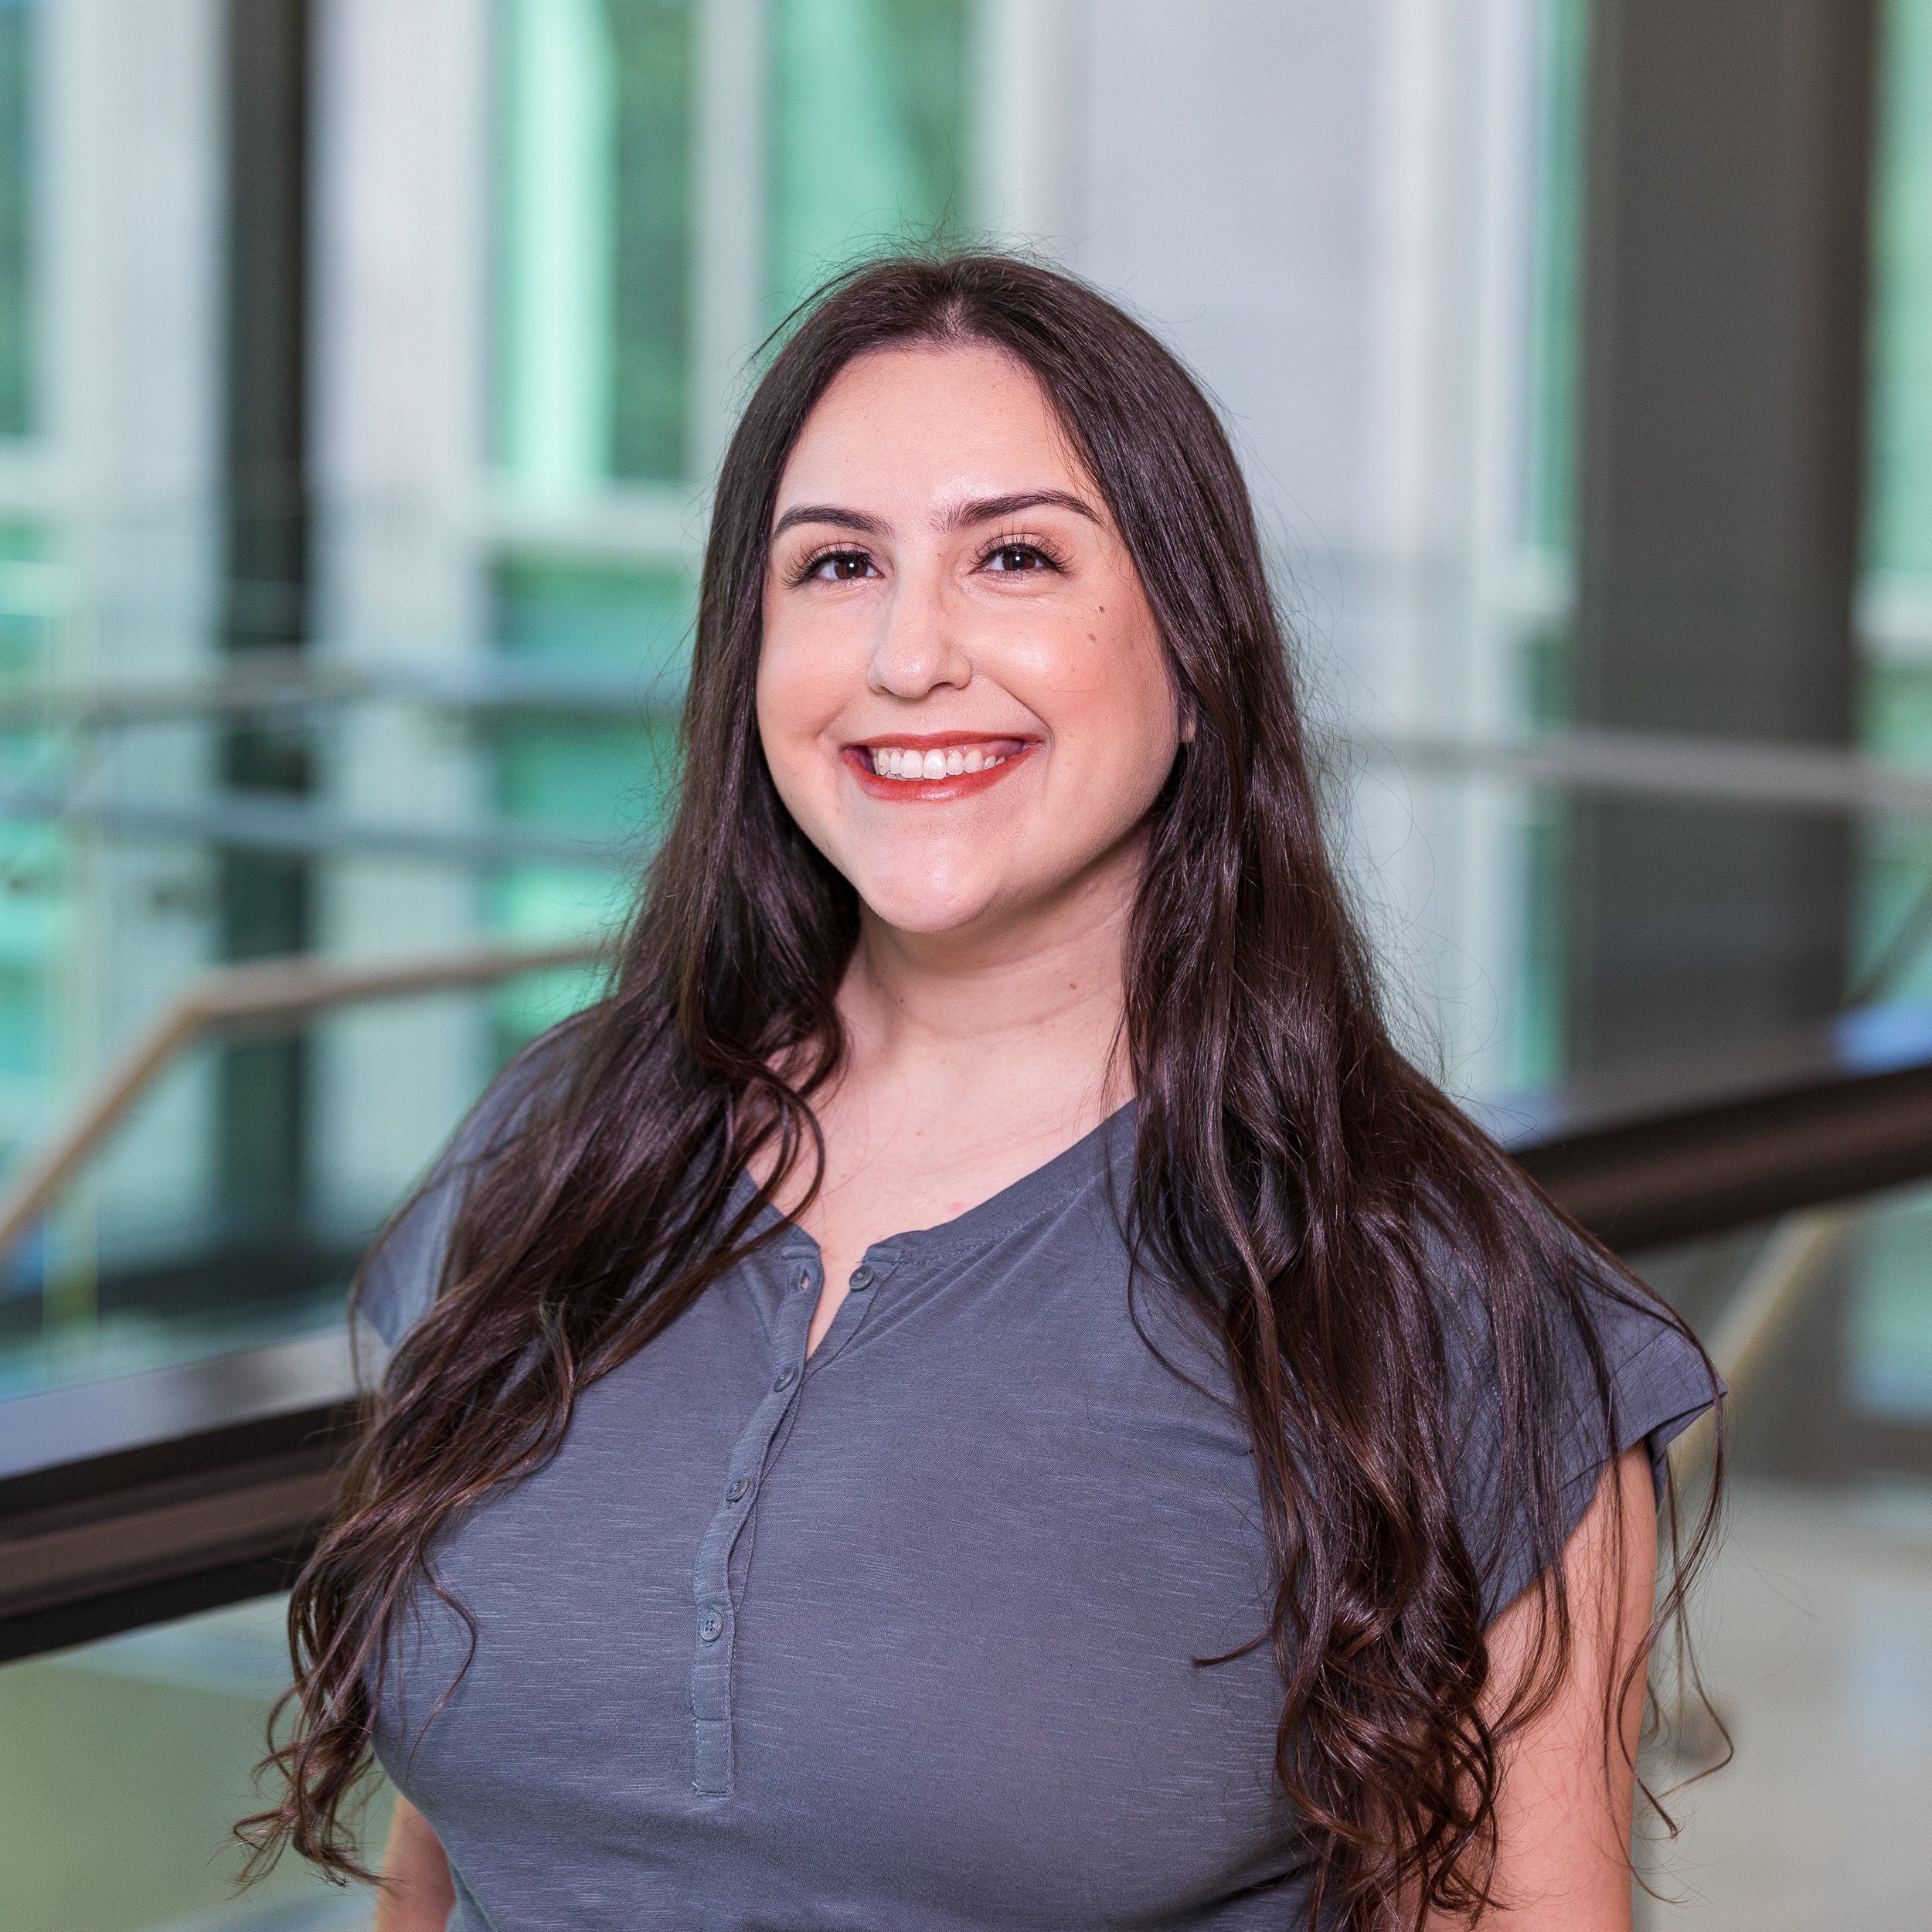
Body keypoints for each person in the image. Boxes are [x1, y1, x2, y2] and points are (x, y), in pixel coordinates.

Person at [242, 254, 1719, 1930]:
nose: (906, 653)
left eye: (1012, 555)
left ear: (1193, 655)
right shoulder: (551, 1158)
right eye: (835, 565)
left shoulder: (1434, 1295)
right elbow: (446, 1867)